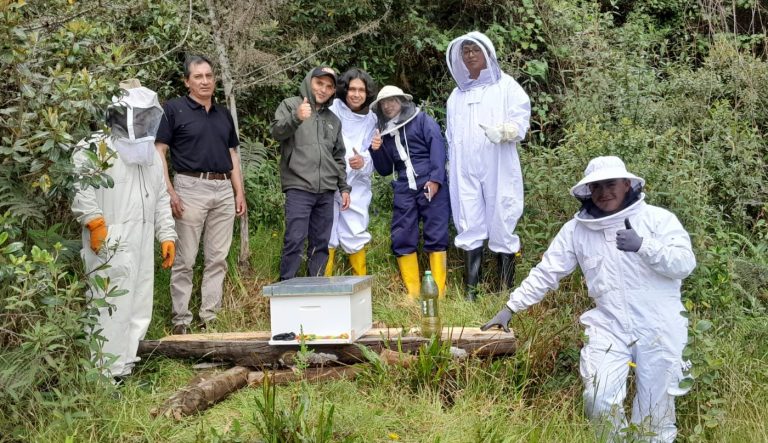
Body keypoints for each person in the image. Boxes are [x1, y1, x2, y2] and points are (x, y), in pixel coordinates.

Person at [482, 156, 696, 442]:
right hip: (609, 325)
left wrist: (645, 246)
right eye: (597, 187)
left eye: (611, 184)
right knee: (598, 396)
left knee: (654, 415)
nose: (604, 192)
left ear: (627, 184)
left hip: (660, 327)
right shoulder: (576, 230)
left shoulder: (658, 219)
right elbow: (548, 271)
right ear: (588, 192)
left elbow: (684, 263)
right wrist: (511, 307)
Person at [72, 80, 177, 380]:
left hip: (141, 240)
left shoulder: (149, 156)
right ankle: (105, 373)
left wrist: (166, 235)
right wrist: (93, 221)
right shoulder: (94, 147)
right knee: (109, 306)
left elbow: (160, 199)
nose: (144, 121)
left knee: (139, 302)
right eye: (139, 115)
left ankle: (126, 368)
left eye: (147, 115)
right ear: (121, 113)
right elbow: (81, 186)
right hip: (108, 240)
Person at [155, 55, 246, 334]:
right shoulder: (173, 109)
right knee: (185, 258)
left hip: (223, 190)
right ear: (187, 81)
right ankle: (181, 320)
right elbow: (160, 151)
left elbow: (232, 154)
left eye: (208, 76)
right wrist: (169, 190)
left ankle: (210, 317)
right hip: (189, 187)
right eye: (198, 77)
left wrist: (238, 192)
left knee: (217, 258)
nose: (205, 81)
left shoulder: (222, 114)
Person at [445, 31, 531, 300]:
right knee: (468, 219)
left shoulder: (507, 86)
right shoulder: (455, 96)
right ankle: (473, 290)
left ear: (487, 53)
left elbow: (521, 121)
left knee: (502, 214)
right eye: (466, 51)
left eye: (475, 50)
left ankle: (505, 289)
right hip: (463, 167)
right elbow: (450, 134)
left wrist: (505, 131)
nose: (470, 54)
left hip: (498, 163)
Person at [270, 66, 351, 281]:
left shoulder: (334, 120)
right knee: (295, 239)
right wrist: (296, 117)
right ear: (309, 82)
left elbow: (338, 156)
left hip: (326, 190)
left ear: (334, 91)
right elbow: (276, 132)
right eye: (319, 83)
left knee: (321, 243)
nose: (323, 89)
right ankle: (286, 286)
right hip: (298, 187)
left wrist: (344, 187)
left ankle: (316, 287)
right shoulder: (291, 105)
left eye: (329, 86)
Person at [369, 86, 449, 299]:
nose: (388, 105)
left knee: (436, 232)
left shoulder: (422, 120)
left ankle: (438, 292)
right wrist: (376, 150)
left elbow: (438, 148)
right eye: (383, 103)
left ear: (402, 101)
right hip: (403, 185)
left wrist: (435, 180)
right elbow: (385, 169)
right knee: (402, 234)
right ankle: (413, 293)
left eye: (392, 100)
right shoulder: (383, 132)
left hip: (429, 181)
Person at [325, 68, 378, 276]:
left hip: (356, 185)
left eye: (361, 90)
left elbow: (374, 155)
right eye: (352, 89)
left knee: (355, 231)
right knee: (326, 231)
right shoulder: (332, 110)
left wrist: (362, 162)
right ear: (344, 90)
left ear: (367, 93)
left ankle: (360, 285)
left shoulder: (372, 119)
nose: (356, 94)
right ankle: (324, 287)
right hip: (328, 182)